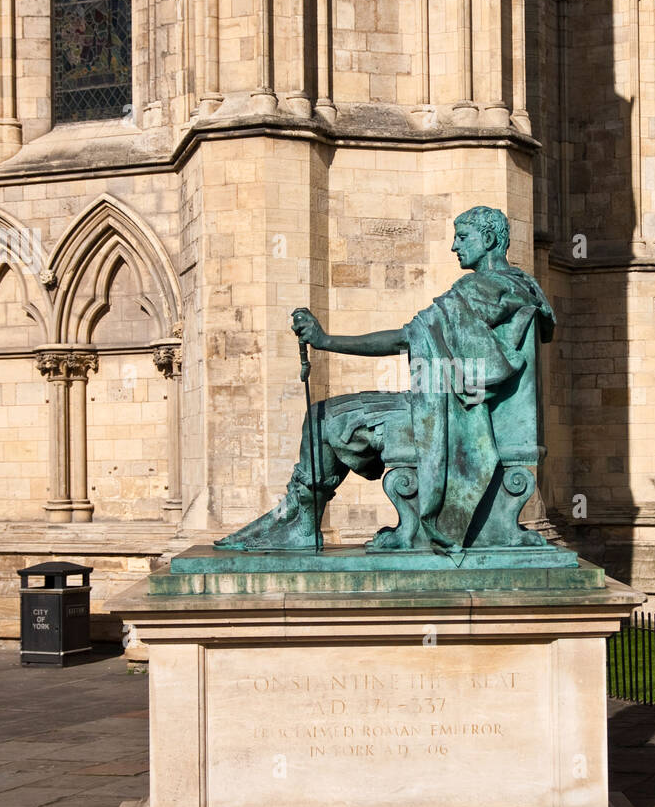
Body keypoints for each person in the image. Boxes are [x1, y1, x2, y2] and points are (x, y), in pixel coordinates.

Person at [215, 205, 555, 551]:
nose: (454, 246)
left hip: (454, 415)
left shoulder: (480, 289)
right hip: (455, 406)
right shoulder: (521, 286)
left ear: (488, 239)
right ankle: (295, 517)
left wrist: (325, 341)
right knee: (324, 415)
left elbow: (405, 337)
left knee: (321, 418)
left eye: (462, 237)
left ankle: (303, 524)